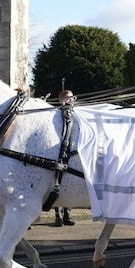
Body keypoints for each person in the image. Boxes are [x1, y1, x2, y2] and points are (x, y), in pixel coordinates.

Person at [54, 89, 76, 227]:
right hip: (57, 153)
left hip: (70, 152)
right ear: (61, 100)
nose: (71, 100)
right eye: (68, 98)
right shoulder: (57, 115)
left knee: (68, 185)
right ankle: (58, 215)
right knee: (57, 184)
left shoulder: (74, 115)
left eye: (72, 98)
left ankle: (67, 214)